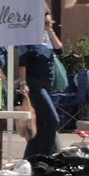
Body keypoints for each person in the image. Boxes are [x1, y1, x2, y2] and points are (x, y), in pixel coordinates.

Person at [16, 9, 64, 158]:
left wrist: (50, 30)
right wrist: (23, 82)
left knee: (42, 122)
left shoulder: (47, 36)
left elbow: (60, 50)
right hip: (34, 82)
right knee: (52, 119)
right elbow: (22, 62)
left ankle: (30, 157)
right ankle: (46, 155)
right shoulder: (27, 36)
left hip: (47, 81)